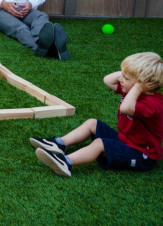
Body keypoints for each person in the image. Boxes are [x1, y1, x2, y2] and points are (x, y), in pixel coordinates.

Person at [30, 52, 163, 177]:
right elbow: (107, 80)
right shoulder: (130, 91)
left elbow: (126, 108)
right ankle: (59, 144)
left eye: (126, 78)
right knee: (92, 123)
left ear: (143, 85)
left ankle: (66, 162)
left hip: (142, 155)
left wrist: (138, 86)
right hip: (125, 140)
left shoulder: (153, 104)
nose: (120, 80)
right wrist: (129, 74)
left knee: (100, 143)